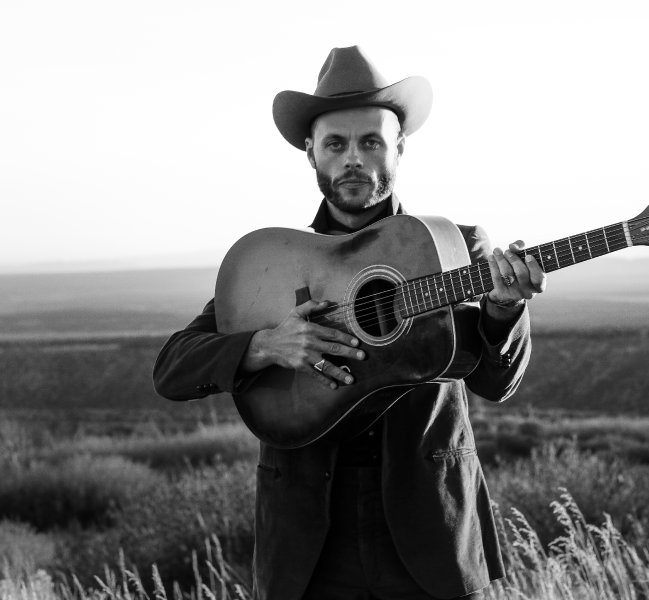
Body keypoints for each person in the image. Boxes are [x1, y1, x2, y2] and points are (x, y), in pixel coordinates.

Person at [153, 46, 546, 600]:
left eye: (371, 142)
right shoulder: (277, 265)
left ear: (399, 148)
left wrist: (506, 309)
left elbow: (496, 382)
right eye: (336, 144)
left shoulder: (455, 248)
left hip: (430, 539)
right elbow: (171, 369)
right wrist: (264, 345)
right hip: (309, 553)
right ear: (310, 152)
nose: (353, 159)